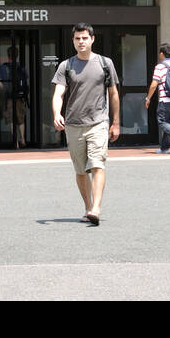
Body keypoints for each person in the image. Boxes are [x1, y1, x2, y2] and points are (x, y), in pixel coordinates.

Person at [51, 23, 121, 225]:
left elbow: (114, 94)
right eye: (77, 38)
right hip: (73, 124)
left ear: (92, 39)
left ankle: (96, 209)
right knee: (81, 171)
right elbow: (58, 93)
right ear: (73, 41)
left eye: (84, 38)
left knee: (97, 164)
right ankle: (88, 207)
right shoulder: (66, 66)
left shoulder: (105, 63)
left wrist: (115, 123)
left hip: (98, 122)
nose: (81, 42)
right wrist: (57, 113)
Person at [0, 47, 29, 148]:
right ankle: (22, 139)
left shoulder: (3, 67)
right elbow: (26, 81)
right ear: (17, 55)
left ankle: (15, 141)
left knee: (10, 119)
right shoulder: (21, 67)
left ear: (8, 55)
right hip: (20, 97)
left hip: (9, 97)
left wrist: (4, 91)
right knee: (20, 119)